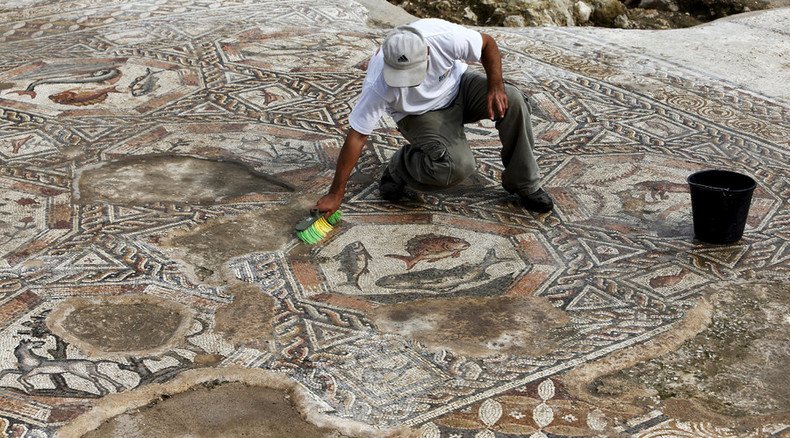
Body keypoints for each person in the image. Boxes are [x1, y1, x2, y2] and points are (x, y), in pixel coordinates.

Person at [316, 18, 554, 216]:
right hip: (418, 114)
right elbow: (357, 135)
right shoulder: (379, 81)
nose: (405, 82)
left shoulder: (443, 37)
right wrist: (335, 194)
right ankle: (400, 166)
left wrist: (495, 86)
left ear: (427, 52)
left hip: (459, 87)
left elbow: (487, 44)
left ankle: (524, 183)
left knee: (513, 100)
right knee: (457, 166)